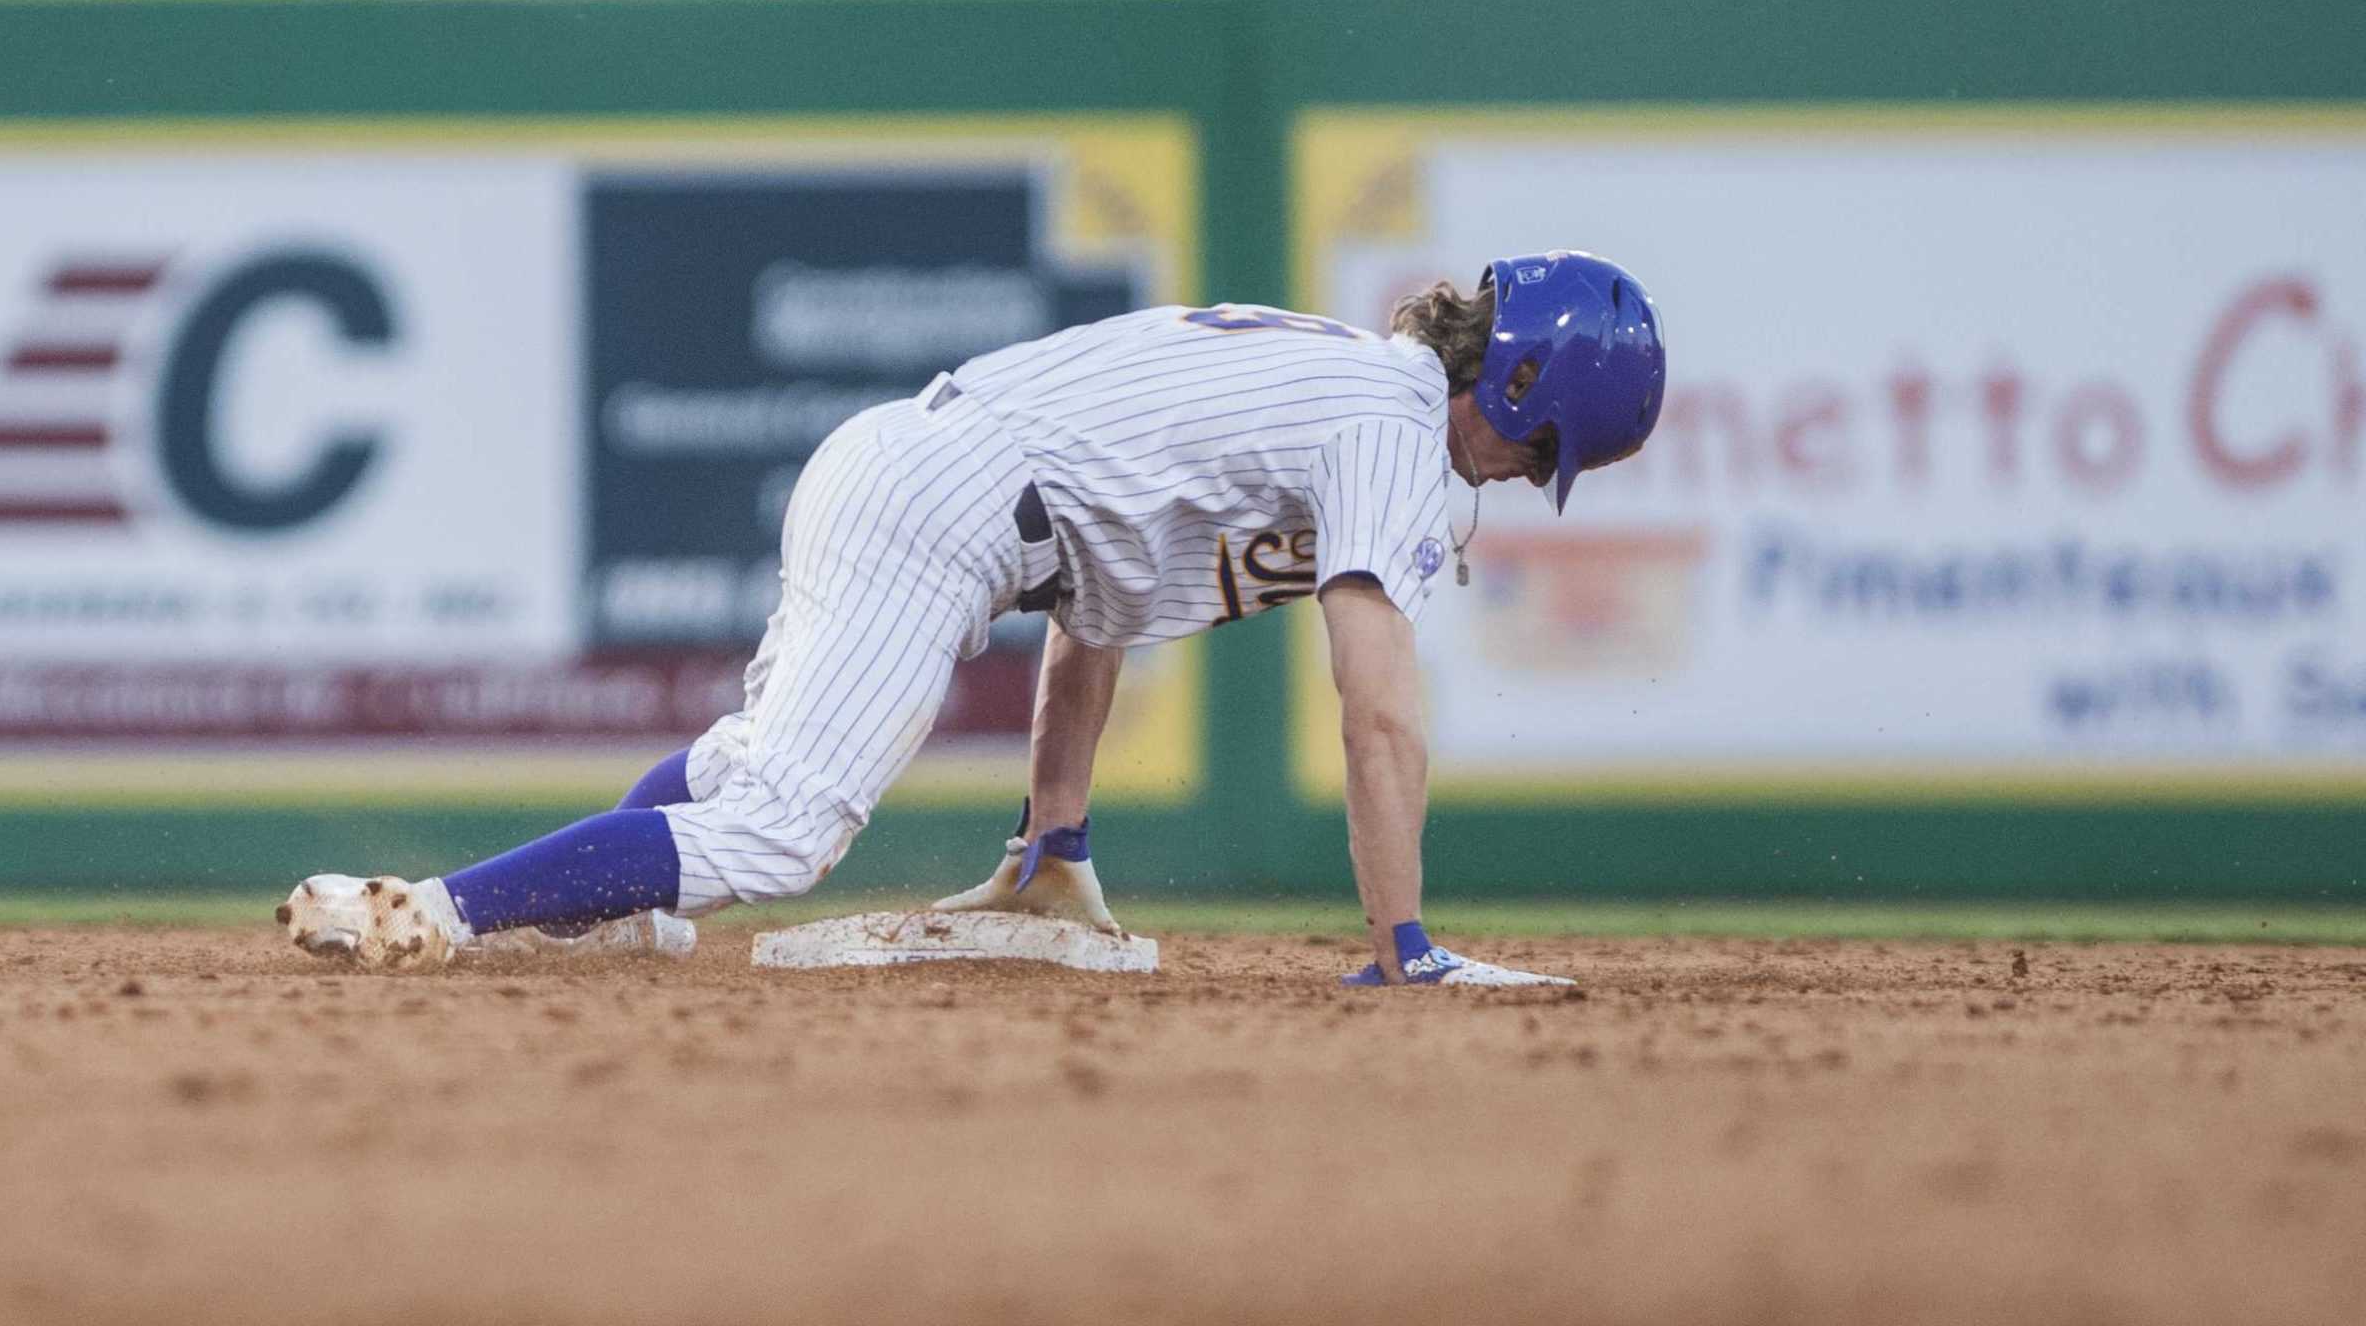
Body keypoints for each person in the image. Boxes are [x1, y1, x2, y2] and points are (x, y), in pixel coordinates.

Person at [280, 254, 1669, 989]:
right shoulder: (1394, 417)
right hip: (947, 504)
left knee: (752, 773)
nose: (1529, 478)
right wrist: (1404, 941)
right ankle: (432, 915)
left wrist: (1052, 841)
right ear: (1531, 387)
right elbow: (1376, 706)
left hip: (934, 481)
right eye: (1549, 448)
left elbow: (1100, 602)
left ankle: (604, 924)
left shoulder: (1357, 392)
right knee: (781, 829)